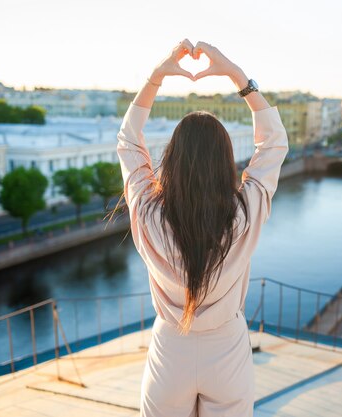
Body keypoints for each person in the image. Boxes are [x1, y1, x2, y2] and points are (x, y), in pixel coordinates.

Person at [116, 40, 288, 417]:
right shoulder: (244, 214)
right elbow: (275, 143)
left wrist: (155, 78)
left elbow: (129, 141)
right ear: (225, 161)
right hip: (226, 345)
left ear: (172, 159)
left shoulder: (148, 215)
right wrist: (236, 76)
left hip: (170, 348)